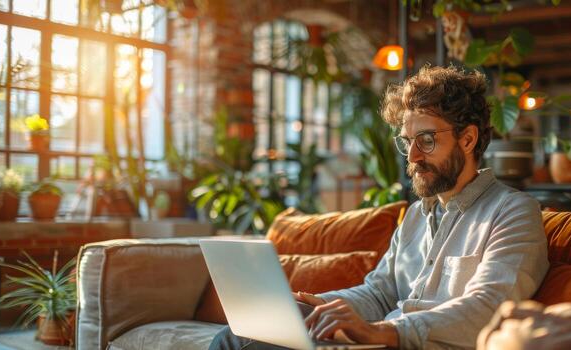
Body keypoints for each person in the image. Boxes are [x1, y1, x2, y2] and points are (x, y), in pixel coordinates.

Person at [210, 65, 549, 349]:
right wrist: (321, 304)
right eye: (408, 142)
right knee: (243, 334)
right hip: (382, 341)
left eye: (427, 141)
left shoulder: (513, 212)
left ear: (468, 139)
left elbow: (490, 308)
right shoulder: (418, 216)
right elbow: (380, 292)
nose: (413, 157)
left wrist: (386, 331)